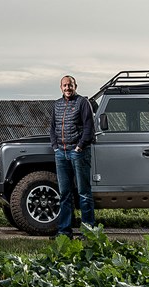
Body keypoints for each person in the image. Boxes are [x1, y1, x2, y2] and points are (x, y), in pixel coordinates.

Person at [50, 75, 95, 239]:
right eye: (64, 85)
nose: (67, 88)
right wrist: (55, 147)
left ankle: (88, 233)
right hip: (61, 154)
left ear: (76, 86)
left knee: (84, 193)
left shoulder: (83, 103)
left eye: (70, 85)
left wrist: (79, 147)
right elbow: (52, 127)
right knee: (64, 194)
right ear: (60, 87)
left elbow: (89, 127)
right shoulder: (57, 104)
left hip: (78, 152)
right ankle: (64, 232)